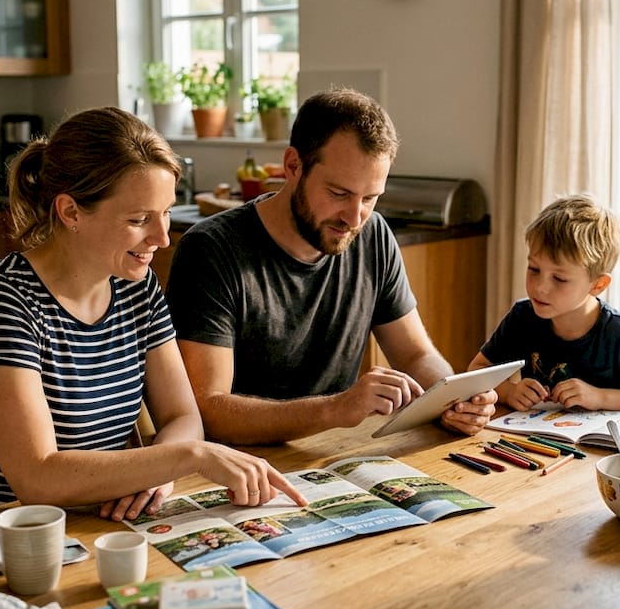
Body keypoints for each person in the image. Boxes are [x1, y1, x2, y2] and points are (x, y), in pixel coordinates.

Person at [0, 106, 306, 530]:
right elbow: (36, 478)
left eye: (166, 212)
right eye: (139, 220)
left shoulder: (137, 288)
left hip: (85, 525)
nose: (162, 237)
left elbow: (182, 417)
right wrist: (187, 457)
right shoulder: (0, 302)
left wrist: (159, 476)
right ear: (71, 212)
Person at [166, 88, 497, 445]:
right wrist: (334, 409)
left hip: (331, 457)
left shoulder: (373, 235)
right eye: (339, 193)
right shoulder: (212, 250)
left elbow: (416, 354)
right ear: (293, 166)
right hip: (239, 466)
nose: (355, 218)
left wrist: (451, 399)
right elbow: (209, 410)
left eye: (370, 198)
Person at [466, 194, 620, 412]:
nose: (540, 287)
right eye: (534, 269)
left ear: (598, 284)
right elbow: (476, 370)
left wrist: (600, 397)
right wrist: (508, 391)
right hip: (532, 443)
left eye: (559, 279)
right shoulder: (522, 317)